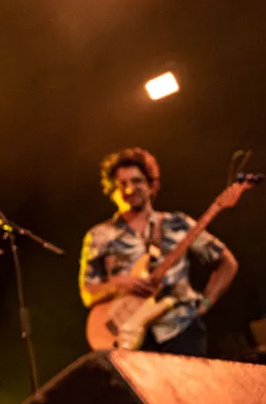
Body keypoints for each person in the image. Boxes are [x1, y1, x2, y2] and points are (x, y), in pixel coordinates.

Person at [79, 147, 239, 357]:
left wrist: (206, 303)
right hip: (129, 337)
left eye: (137, 181)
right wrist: (119, 284)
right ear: (112, 191)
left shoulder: (178, 224)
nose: (130, 189)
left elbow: (227, 262)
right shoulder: (99, 235)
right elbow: (88, 292)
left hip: (181, 329)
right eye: (122, 184)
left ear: (152, 185)